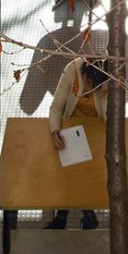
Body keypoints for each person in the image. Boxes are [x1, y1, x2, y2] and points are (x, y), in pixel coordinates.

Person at [45, 56, 109, 230]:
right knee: (68, 171)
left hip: (95, 130)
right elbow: (56, 106)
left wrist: (103, 96)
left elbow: (109, 121)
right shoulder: (72, 70)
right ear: (83, 74)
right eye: (87, 83)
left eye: (93, 86)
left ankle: (87, 213)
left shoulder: (108, 81)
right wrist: (54, 130)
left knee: (89, 173)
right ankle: (63, 216)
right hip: (71, 126)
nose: (88, 89)